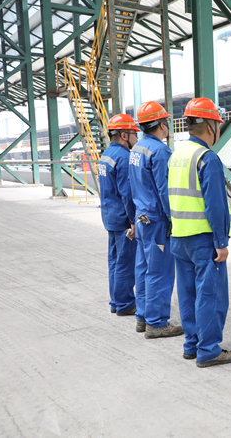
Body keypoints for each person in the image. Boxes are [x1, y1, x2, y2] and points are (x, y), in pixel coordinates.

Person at [168, 98, 231, 367]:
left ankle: (192, 344)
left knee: (187, 293)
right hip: (203, 239)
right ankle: (208, 350)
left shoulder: (176, 155)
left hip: (179, 236)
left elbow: (167, 196)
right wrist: (221, 241)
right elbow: (216, 206)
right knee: (211, 295)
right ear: (211, 127)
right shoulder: (207, 158)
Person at [129, 101, 182, 338]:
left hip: (142, 218)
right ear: (161, 124)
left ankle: (143, 317)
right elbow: (164, 189)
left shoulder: (137, 149)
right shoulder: (160, 151)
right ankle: (157, 323)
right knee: (160, 272)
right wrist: (173, 219)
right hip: (157, 221)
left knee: (143, 269)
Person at [99, 114, 139, 318]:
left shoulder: (106, 154)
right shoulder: (124, 157)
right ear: (124, 135)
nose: (137, 139)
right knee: (125, 262)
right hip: (123, 218)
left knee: (114, 261)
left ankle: (116, 301)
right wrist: (133, 220)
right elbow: (127, 194)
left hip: (110, 216)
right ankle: (125, 303)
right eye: (134, 134)